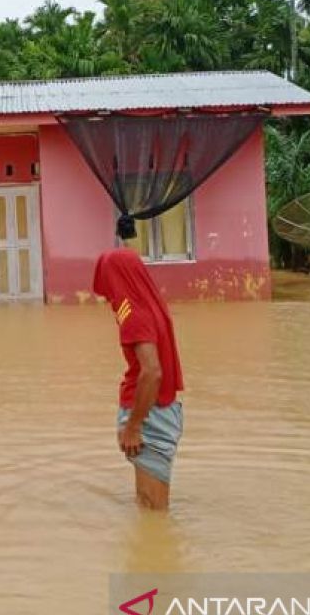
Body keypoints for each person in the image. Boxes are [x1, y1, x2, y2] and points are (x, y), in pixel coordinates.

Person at [92, 216, 185, 511]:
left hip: (149, 415)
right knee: (147, 506)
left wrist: (133, 426)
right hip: (161, 411)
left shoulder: (133, 315)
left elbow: (152, 372)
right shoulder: (152, 307)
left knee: (153, 507)